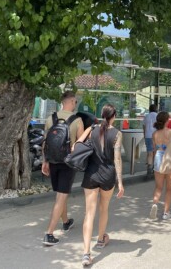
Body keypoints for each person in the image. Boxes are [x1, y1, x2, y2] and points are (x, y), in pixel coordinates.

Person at [80, 104, 124, 267]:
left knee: (89, 213)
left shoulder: (92, 130)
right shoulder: (117, 133)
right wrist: (120, 182)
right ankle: (100, 240)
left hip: (91, 174)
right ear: (114, 116)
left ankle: (86, 253)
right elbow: (117, 158)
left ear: (102, 114)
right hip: (108, 175)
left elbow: (77, 144)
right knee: (103, 208)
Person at [42, 91, 84, 246]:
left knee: (61, 193)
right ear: (71, 101)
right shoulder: (77, 120)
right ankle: (49, 234)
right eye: (75, 102)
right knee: (61, 197)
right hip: (67, 163)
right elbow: (80, 144)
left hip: (53, 161)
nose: (75, 104)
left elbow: (45, 143)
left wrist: (45, 161)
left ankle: (66, 222)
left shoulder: (50, 118)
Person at [149, 111, 171, 221]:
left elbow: (154, 150)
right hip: (168, 159)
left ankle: (154, 204)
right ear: (166, 120)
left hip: (158, 159)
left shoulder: (154, 134)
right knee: (169, 189)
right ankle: (166, 212)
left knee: (158, 187)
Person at [143, 104, 158, 174]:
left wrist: (144, 135)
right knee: (155, 153)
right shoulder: (158, 116)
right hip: (156, 136)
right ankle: (155, 168)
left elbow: (144, 127)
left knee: (149, 153)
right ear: (156, 109)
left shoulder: (146, 116)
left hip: (148, 136)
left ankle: (149, 169)